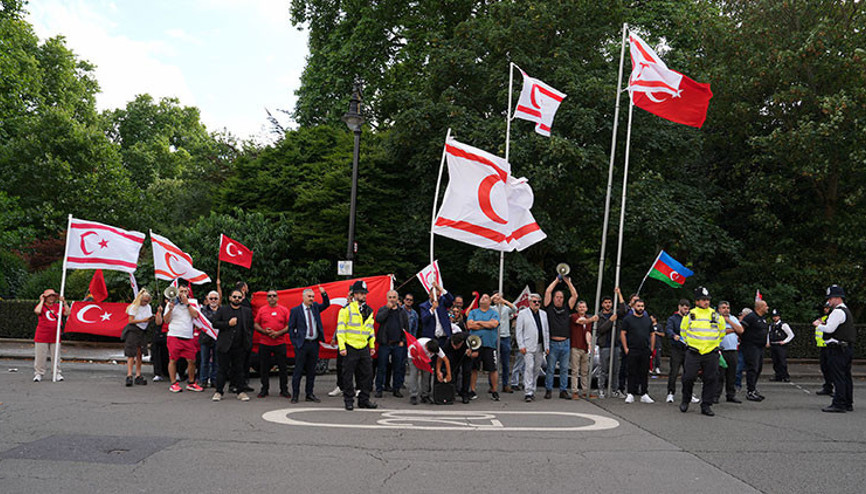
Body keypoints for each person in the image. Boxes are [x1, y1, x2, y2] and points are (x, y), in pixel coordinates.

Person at [679, 287, 725, 416]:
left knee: (711, 379)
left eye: (708, 300)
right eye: (703, 300)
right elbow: (683, 332)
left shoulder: (716, 315)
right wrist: (692, 344)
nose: (706, 302)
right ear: (697, 301)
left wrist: (712, 344)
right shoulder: (690, 315)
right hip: (694, 352)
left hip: (711, 353)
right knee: (688, 378)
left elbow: (722, 333)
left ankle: (706, 405)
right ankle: (685, 400)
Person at [337, 280, 378, 411]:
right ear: (354, 294)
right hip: (350, 346)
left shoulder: (368, 310)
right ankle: (349, 400)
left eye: (364, 293)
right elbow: (341, 330)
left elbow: (370, 330)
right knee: (348, 375)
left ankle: (364, 400)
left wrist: (371, 346)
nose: (363, 296)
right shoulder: (346, 310)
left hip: (364, 347)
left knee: (368, 375)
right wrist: (342, 347)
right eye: (360, 293)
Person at [813, 285, 855, 413]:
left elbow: (829, 329)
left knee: (838, 376)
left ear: (837, 298)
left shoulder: (837, 312)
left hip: (837, 349)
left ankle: (839, 403)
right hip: (845, 348)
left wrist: (819, 325)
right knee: (846, 376)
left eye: (830, 298)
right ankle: (847, 402)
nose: (829, 302)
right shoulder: (846, 310)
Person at [288, 286, 330, 404]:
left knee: (312, 371)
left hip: (314, 343)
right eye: (309, 296)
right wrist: (295, 343)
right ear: (303, 297)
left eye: (313, 296)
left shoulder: (315, 307)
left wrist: (324, 294)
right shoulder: (296, 311)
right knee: (298, 370)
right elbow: (291, 328)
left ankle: (309, 394)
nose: (311, 299)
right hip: (302, 344)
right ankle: (295, 395)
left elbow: (326, 304)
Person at [212, 288, 254, 401]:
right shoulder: (222, 310)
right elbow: (215, 324)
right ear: (230, 298)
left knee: (240, 370)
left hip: (240, 346)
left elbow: (250, 327)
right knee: (222, 370)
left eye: (239, 297)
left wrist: (248, 342)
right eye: (234, 297)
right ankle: (218, 392)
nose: (237, 299)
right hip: (225, 345)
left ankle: (241, 392)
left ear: (243, 298)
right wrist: (228, 324)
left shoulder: (247, 311)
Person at [543, 276, 578, 399]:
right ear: (553, 298)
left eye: (561, 297)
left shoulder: (567, 308)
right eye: (557, 297)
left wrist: (568, 282)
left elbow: (574, 296)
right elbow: (547, 291)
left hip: (565, 343)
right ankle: (548, 390)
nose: (559, 299)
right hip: (552, 343)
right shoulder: (549, 307)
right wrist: (557, 280)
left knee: (564, 369)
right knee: (550, 369)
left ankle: (563, 390)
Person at [163, 286, 203, 393]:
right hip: (174, 335)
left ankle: (191, 383)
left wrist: (187, 304)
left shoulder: (193, 303)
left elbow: (196, 315)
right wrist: (170, 308)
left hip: (188, 336)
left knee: (192, 360)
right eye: (181, 291)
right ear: (177, 292)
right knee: (173, 359)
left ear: (188, 293)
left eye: (185, 291)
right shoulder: (171, 303)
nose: (183, 293)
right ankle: (173, 383)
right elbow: (166, 320)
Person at [254, 289, 291, 399]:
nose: (272, 298)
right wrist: (264, 331)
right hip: (265, 343)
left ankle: (284, 390)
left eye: (274, 296)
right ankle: (264, 389)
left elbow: (289, 325)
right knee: (264, 368)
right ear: (267, 298)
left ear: (277, 297)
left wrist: (278, 333)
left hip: (280, 343)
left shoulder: (284, 310)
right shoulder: (262, 310)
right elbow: (256, 324)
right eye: (269, 296)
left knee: (283, 368)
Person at [514, 293, 550, 402]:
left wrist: (547, 345)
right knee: (529, 367)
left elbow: (546, 331)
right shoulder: (523, 313)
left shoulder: (543, 314)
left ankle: (532, 388)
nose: (537, 303)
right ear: (530, 302)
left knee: (536, 368)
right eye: (534, 301)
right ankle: (528, 391)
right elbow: (519, 331)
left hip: (540, 345)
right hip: (528, 345)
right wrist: (521, 345)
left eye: (539, 301)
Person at [620, 299, 655, 404]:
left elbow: (652, 334)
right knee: (631, 372)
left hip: (645, 349)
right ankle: (630, 393)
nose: (641, 308)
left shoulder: (648, 320)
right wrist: (626, 348)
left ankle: (644, 393)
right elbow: (623, 333)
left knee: (644, 372)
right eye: (639, 306)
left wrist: (651, 348)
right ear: (634, 307)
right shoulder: (628, 319)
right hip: (632, 349)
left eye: (642, 306)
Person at [467, 293, 501, 401]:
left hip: (489, 344)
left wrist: (479, 322)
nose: (483, 298)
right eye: (482, 297)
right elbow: (470, 325)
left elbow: (494, 324)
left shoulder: (494, 313)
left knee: (492, 368)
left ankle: (494, 390)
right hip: (475, 344)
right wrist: (486, 324)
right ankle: (472, 390)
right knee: (474, 368)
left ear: (490, 302)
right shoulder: (473, 312)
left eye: (486, 297)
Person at [375, 290, 408, 398]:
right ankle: (379, 389)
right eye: (390, 297)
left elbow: (406, 328)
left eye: (394, 297)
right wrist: (387, 309)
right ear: (387, 298)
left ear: (397, 299)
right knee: (381, 367)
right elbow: (378, 319)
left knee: (398, 367)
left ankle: (396, 389)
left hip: (398, 344)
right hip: (385, 343)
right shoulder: (383, 309)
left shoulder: (401, 312)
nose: (392, 299)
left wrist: (403, 340)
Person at [32, 289, 70, 382]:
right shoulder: (42, 306)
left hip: (55, 335)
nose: (51, 298)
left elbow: (67, 313)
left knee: (56, 356)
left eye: (53, 296)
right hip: (42, 335)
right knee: (40, 356)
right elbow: (37, 311)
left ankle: (56, 373)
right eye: (49, 296)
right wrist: (41, 301)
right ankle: (39, 373)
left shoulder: (58, 306)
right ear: (45, 297)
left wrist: (64, 303)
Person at [407, 336, 451, 405]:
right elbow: (411, 352)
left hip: (426, 360)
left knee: (426, 375)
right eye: (430, 352)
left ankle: (425, 395)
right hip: (414, 357)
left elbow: (446, 360)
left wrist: (448, 374)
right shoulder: (417, 345)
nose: (431, 354)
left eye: (432, 354)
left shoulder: (436, 348)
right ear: (426, 347)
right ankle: (413, 395)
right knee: (414, 374)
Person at [596, 291, 624, 398]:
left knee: (615, 369)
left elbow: (623, 310)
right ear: (602, 304)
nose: (608, 304)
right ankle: (601, 389)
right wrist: (610, 321)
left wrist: (619, 294)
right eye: (606, 303)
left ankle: (614, 389)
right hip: (605, 346)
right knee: (603, 369)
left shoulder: (615, 314)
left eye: (609, 302)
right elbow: (601, 329)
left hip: (615, 345)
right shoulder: (599, 316)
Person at [741, 299, 769, 402]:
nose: (767, 308)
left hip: (760, 347)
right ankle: (750, 391)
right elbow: (741, 329)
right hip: (751, 346)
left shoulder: (762, 318)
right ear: (759, 307)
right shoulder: (751, 317)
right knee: (752, 368)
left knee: (758, 368)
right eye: (766, 306)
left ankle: (753, 388)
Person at [124, 289, 153, 387]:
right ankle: (129, 374)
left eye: (147, 301)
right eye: (144, 301)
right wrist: (143, 320)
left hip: (142, 330)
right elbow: (130, 320)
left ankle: (138, 374)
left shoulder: (148, 307)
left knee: (139, 353)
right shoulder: (134, 307)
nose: (145, 303)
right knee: (131, 352)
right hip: (134, 329)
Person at [715, 300, 743, 404]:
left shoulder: (733, 318)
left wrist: (729, 322)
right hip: (721, 350)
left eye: (728, 308)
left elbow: (740, 330)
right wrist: (732, 329)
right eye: (723, 308)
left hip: (733, 350)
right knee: (719, 375)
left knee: (732, 374)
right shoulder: (716, 318)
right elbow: (718, 332)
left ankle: (731, 395)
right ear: (719, 309)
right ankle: (715, 395)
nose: (726, 310)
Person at [568, 300, 595, 399]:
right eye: (580, 307)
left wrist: (590, 345)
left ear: (586, 308)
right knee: (575, 370)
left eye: (584, 307)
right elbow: (580, 321)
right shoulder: (574, 317)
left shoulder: (588, 319)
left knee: (585, 371)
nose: (582, 309)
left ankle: (585, 391)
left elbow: (588, 332)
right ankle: (574, 391)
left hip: (584, 348)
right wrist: (592, 319)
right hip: (575, 346)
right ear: (577, 308)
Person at [492, 292, 517, 393]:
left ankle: (505, 384)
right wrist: (493, 297)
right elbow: (485, 304)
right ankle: (492, 385)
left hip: (505, 337)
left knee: (505, 363)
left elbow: (515, 309)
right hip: (494, 336)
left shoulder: (506, 309)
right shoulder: (492, 309)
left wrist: (504, 301)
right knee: (493, 362)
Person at [419, 282, 454, 348]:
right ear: (430, 295)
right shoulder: (424, 306)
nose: (436, 298)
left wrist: (440, 288)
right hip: (431, 338)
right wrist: (432, 309)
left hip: (443, 337)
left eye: (438, 296)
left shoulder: (442, 301)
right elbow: (424, 320)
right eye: (434, 295)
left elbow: (451, 299)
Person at [198, 291, 221, 388]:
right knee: (204, 361)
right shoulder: (202, 310)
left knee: (217, 361)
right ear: (207, 299)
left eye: (215, 298)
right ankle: (203, 380)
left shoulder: (222, 310)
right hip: (205, 338)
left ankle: (214, 380)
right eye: (211, 299)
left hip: (218, 338)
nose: (213, 301)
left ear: (218, 300)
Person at [442, 333, 473, 403]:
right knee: (453, 371)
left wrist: (471, 352)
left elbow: (476, 352)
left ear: (462, 342)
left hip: (466, 355)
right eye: (454, 345)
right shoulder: (448, 343)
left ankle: (465, 393)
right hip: (453, 355)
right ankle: (452, 391)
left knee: (467, 372)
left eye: (457, 345)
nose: (455, 347)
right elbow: (443, 356)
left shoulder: (469, 339)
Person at [768, 308, 794, 382]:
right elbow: (768, 334)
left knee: (782, 361)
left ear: (779, 317)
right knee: (775, 361)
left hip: (780, 345)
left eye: (776, 316)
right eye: (773, 316)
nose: (775, 318)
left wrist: (785, 341)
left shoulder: (783, 325)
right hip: (773, 344)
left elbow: (791, 334)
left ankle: (785, 376)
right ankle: (778, 375)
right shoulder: (771, 325)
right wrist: (768, 342)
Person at [815, 302, 834, 396]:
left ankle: (835, 389)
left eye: (827, 308)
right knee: (824, 368)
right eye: (825, 308)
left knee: (832, 368)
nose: (825, 310)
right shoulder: (823, 318)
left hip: (830, 346)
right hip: (823, 346)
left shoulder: (832, 318)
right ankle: (828, 387)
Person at [152, 297, 170, 382]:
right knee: (157, 353)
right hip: (161, 334)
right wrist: (159, 312)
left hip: (172, 333)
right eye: (167, 299)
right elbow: (158, 322)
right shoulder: (162, 308)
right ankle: (158, 373)